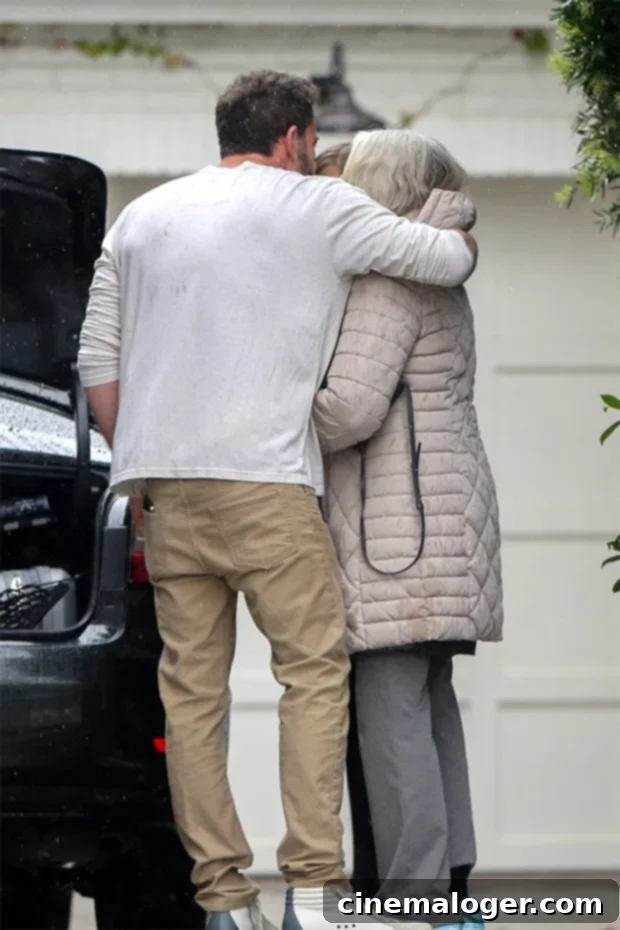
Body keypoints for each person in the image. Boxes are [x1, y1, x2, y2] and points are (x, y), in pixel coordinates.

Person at [77, 71, 478, 930]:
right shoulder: (318, 209)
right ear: (296, 138)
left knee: (191, 694)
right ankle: (309, 895)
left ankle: (221, 901)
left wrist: (141, 467)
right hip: (270, 488)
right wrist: (446, 211)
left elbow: (96, 367)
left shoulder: (142, 217)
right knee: (313, 677)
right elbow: (446, 259)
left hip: (170, 490)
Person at [314, 132, 503, 928]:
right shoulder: (435, 262)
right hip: (442, 519)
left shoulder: (392, 278)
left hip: (400, 528)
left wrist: (271, 418)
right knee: (429, 702)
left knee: (391, 710)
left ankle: (414, 896)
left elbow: (348, 409)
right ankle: (451, 889)